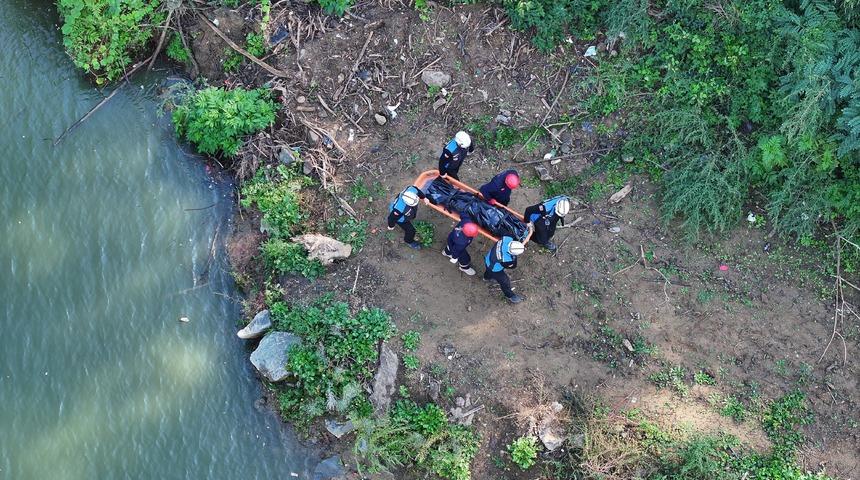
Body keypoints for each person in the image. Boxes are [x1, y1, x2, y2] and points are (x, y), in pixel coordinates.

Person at [483, 236, 526, 303]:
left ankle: (486, 277)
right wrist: (514, 258)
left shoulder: (506, 238)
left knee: (488, 271)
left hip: (489, 258)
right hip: (494, 269)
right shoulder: (506, 259)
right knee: (505, 282)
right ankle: (510, 296)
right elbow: (512, 266)